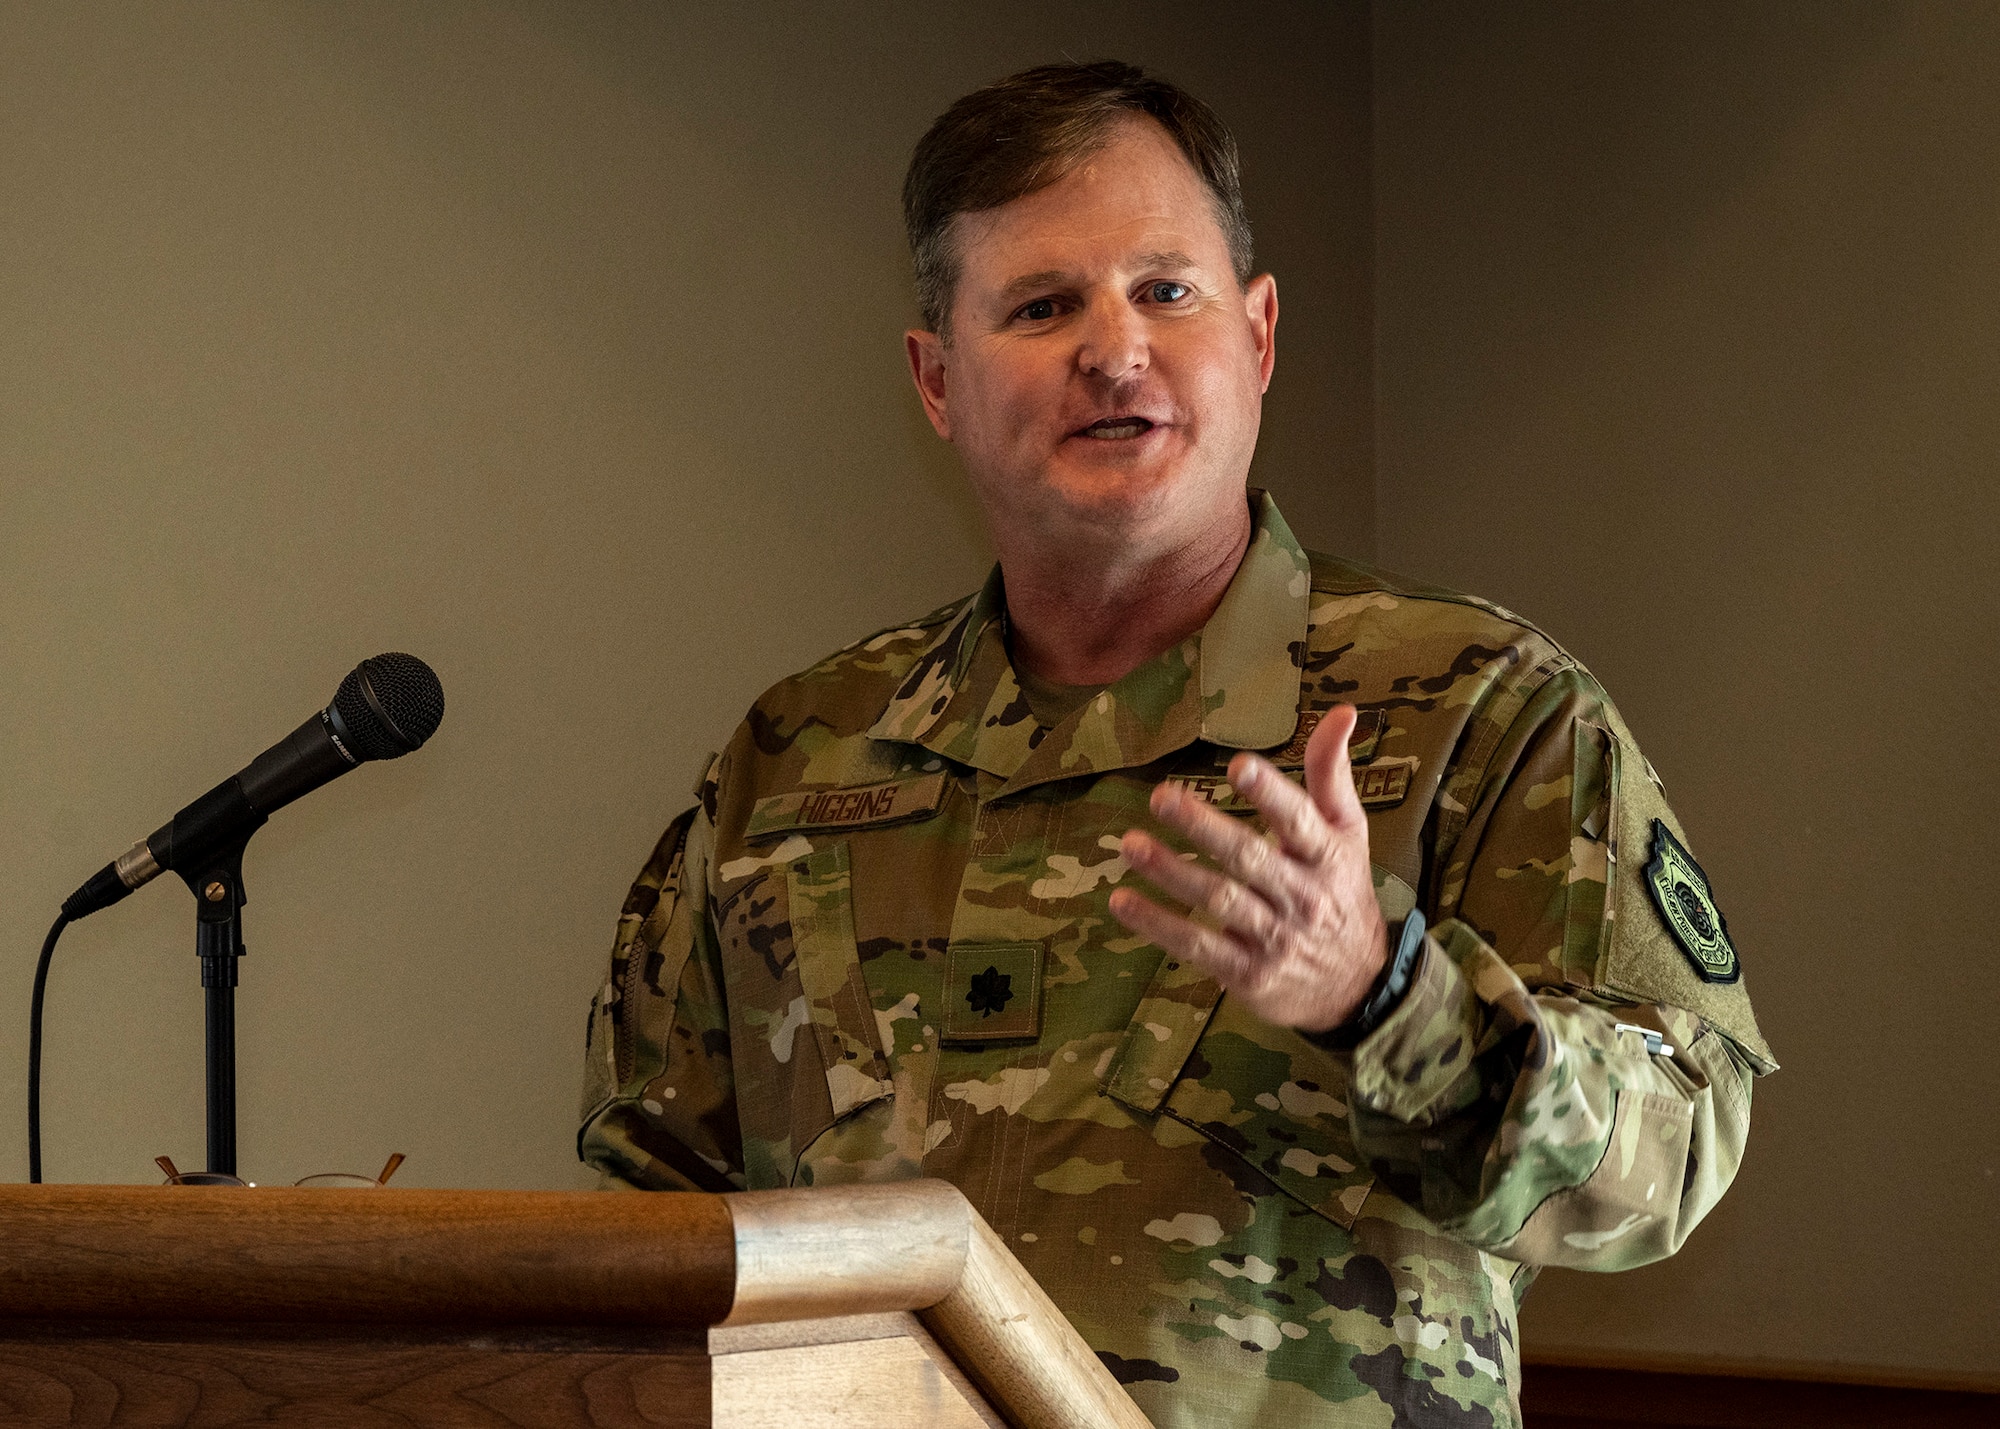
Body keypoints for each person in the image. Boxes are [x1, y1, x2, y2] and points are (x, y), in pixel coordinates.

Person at [578, 60, 1774, 1428]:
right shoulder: (796, 762)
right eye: (1041, 305)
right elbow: (650, 1220)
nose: (1114, 347)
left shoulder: (1481, 708)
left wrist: (1384, 995)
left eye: (1166, 289)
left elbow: (1673, 1157)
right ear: (937, 380)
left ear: (1258, 336)